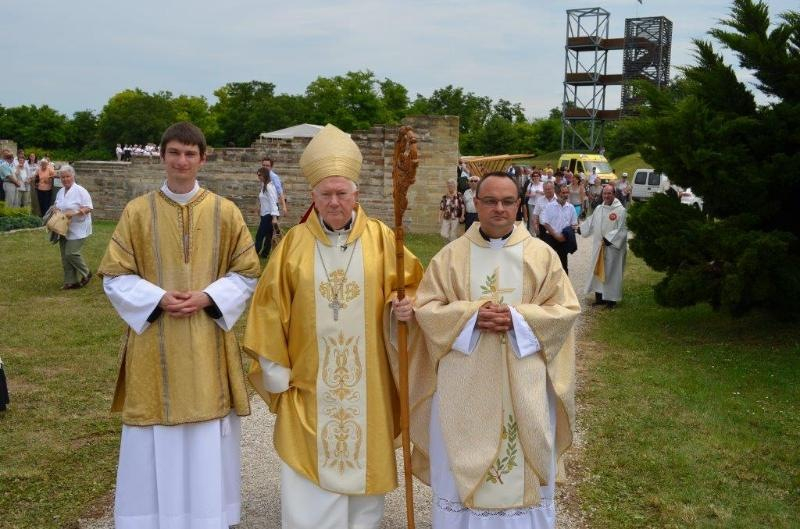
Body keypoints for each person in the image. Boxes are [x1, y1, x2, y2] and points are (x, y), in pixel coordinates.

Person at [243, 123, 422, 529]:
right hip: (309, 385)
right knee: (310, 479)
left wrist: (406, 308)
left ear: (356, 195)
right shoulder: (292, 245)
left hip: (368, 384)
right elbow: (269, 308)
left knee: (364, 486)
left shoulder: (382, 239)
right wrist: (276, 370)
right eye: (326, 194)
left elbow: (412, 287)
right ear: (314, 196)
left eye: (342, 193)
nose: (335, 202)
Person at [97, 122, 261, 529]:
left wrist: (208, 297)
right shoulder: (137, 212)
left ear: (203, 158)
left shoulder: (225, 212)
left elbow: (248, 272)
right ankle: (152, 519)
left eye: (190, 154)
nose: (182, 161)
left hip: (206, 344)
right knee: (153, 433)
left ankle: (206, 517)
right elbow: (114, 275)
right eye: (174, 152)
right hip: (155, 345)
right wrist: (156, 298)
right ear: (162, 156)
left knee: (206, 434)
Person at [410, 171, 580, 529]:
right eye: (490, 201)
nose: (498, 208)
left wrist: (518, 318)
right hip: (464, 383)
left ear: (519, 206)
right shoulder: (451, 256)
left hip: (525, 383)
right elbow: (426, 308)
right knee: (459, 467)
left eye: (507, 201)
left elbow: (565, 311)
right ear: (477, 203)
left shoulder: (542, 256)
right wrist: (471, 316)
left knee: (523, 460)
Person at [579, 184, 628, 308]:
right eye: (604, 193)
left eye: (609, 193)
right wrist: (581, 229)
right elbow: (591, 222)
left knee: (611, 272)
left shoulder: (620, 210)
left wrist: (609, 239)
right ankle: (599, 298)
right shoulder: (599, 208)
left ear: (614, 194)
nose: (606, 196)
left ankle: (611, 300)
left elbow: (622, 229)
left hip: (612, 248)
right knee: (597, 270)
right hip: (598, 247)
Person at [53, 165, 93, 289]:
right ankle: (71, 282)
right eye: (63, 177)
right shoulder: (60, 191)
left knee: (71, 253)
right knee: (65, 256)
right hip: (63, 227)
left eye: (68, 176)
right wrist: (55, 209)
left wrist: (74, 213)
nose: (65, 179)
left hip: (78, 227)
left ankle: (86, 272)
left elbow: (89, 208)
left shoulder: (81, 191)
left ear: (73, 176)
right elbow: (57, 205)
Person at [540, 185, 579, 274]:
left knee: (563, 263)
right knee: (549, 263)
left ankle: (564, 281)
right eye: (563, 192)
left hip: (564, 238)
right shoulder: (549, 206)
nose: (566, 195)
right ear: (557, 194)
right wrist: (556, 235)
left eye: (567, 192)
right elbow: (545, 222)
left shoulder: (571, 208)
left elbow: (574, 224)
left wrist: (564, 236)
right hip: (550, 237)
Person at [254, 166, 285, 257]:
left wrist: (274, 218)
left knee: (259, 235)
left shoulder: (269, 186)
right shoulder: (264, 185)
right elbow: (264, 200)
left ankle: (255, 253)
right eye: (258, 175)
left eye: (260, 175)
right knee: (268, 235)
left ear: (265, 175)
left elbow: (273, 202)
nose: (258, 177)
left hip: (269, 215)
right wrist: (260, 208)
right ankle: (265, 254)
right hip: (265, 214)